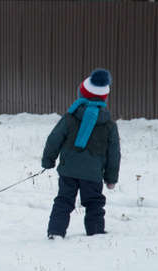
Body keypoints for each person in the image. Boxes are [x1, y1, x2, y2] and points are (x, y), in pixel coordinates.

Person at [41, 68, 121, 239]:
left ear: (82, 94)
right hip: (93, 174)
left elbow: (54, 139)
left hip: (68, 171)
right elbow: (114, 154)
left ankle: (55, 232)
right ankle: (96, 232)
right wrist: (111, 178)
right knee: (94, 203)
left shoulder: (70, 117)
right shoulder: (109, 125)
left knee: (63, 201)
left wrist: (48, 161)